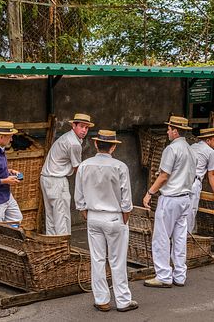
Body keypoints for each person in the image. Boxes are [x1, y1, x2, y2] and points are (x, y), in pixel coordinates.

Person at [74, 130, 138, 312]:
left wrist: (85, 211)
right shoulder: (120, 166)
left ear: (95, 144)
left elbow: (79, 195)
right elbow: (126, 197)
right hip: (115, 216)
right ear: (114, 146)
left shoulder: (85, 165)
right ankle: (123, 300)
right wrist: (125, 215)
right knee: (117, 260)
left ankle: (101, 299)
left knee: (97, 259)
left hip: (94, 216)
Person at [142, 116, 195, 288]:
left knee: (161, 237)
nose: (167, 131)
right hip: (185, 197)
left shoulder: (171, 149)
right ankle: (180, 275)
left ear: (175, 130)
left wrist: (150, 192)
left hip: (171, 198)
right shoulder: (190, 149)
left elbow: (164, 175)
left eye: (169, 128)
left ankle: (164, 275)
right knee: (180, 237)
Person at [40, 113, 94, 235]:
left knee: (52, 217)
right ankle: (63, 248)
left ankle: (53, 247)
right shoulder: (73, 143)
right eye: (81, 126)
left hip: (46, 178)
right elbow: (77, 169)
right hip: (56, 180)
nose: (84, 130)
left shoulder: (68, 137)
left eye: (87, 128)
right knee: (62, 217)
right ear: (74, 125)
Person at [188, 127, 214, 233]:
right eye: (213, 140)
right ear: (207, 140)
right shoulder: (210, 152)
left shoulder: (192, 146)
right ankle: (187, 236)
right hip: (194, 181)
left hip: (183, 180)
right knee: (191, 210)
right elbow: (212, 173)